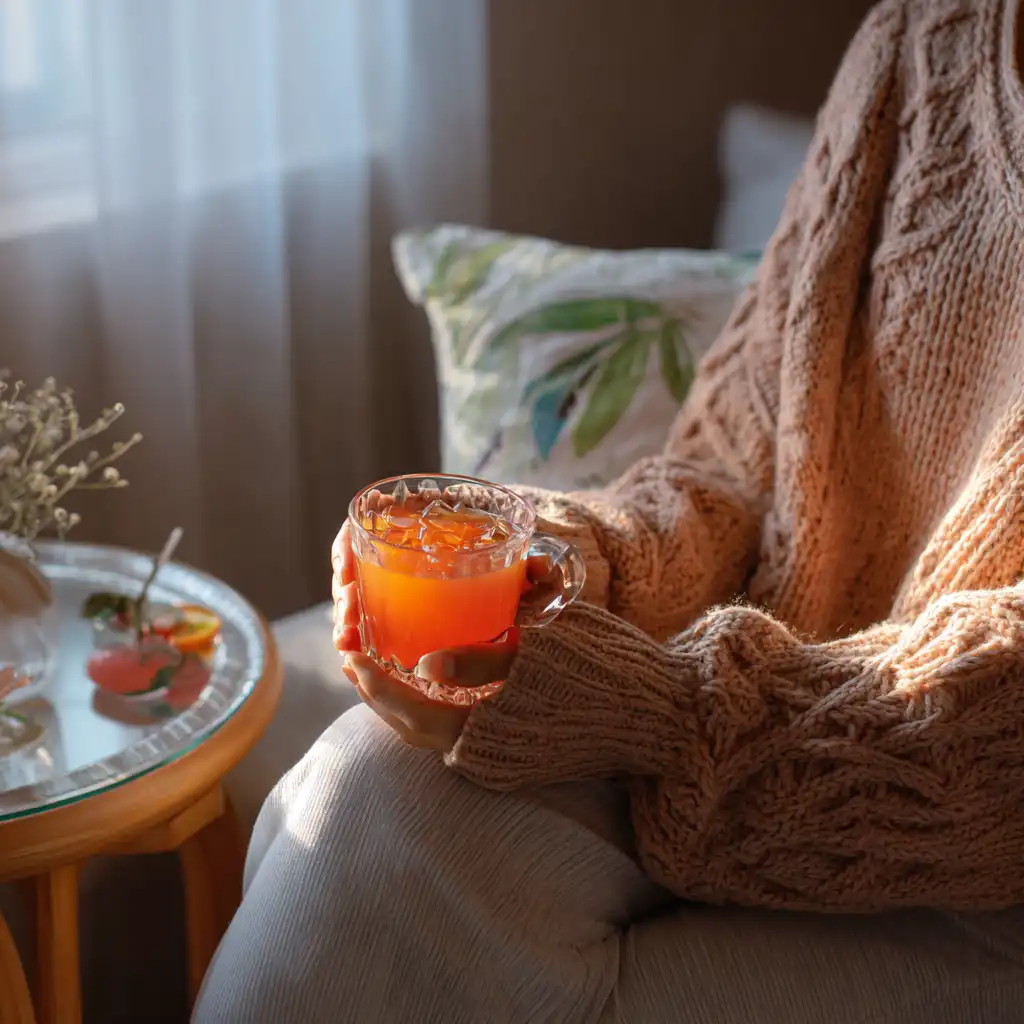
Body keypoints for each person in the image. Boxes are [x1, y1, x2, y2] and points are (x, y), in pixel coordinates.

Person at [195, 0, 1024, 1020]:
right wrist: (584, 561)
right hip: (740, 731)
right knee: (368, 798)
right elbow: (734, 463)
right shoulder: (925, 38)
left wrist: (652, 714)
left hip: (977, 861)